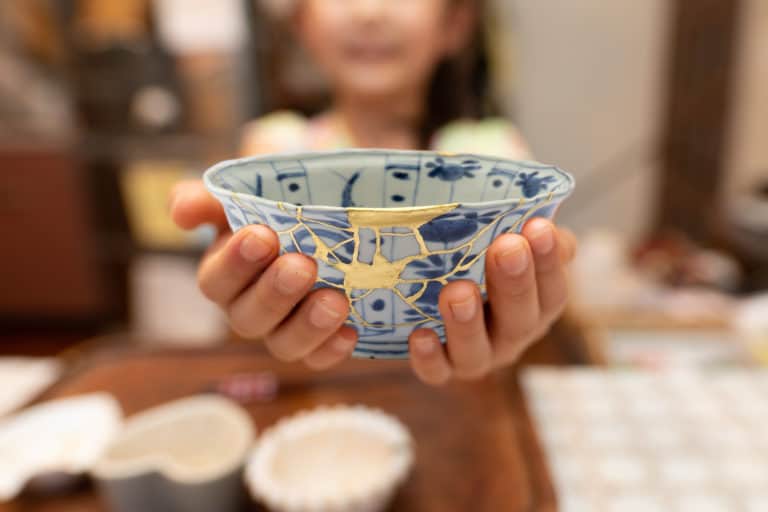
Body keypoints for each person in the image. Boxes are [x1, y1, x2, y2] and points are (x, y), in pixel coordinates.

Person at [169, 0, 576, 385]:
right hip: (309, 396)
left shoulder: (493, 152)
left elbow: (547, 261)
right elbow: (229, 263)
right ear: (301, 21)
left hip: (462, 401)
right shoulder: (274, 147)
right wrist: (229, 268)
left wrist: (540, 292)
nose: (370, 11)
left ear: (455, 23)